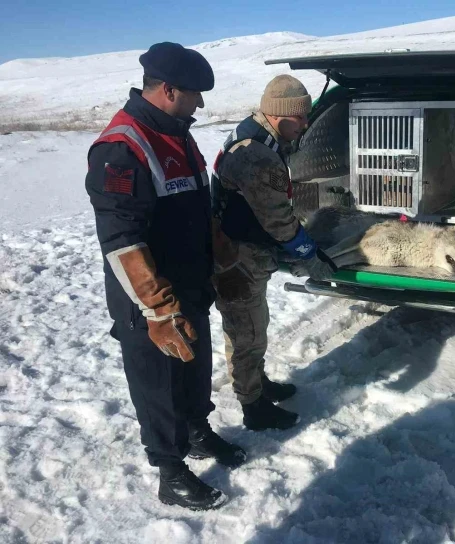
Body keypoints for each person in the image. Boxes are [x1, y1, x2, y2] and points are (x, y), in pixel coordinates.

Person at [86, 42, 246, 511]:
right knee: (159, 383)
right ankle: (170, 470)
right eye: (195, 94)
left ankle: (197, 432)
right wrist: (158, 308)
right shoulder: (122, 148)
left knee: (194, 370)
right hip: (149, 300)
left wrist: (225, 264)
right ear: (169, 89)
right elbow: (122, 240)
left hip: (190, 286)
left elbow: (198, 210)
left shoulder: (178, 134)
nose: (200, 103)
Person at [210, 75, 336, 431]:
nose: (306, 125)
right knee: (246, 335)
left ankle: (258, 384)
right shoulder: (256, 155)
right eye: (301, 118)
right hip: (237, 259)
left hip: (245, 251)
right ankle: (253, 408)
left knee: (254, 328)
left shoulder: (258, 135)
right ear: (282, 116)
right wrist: (310, 256)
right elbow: (279, 221)